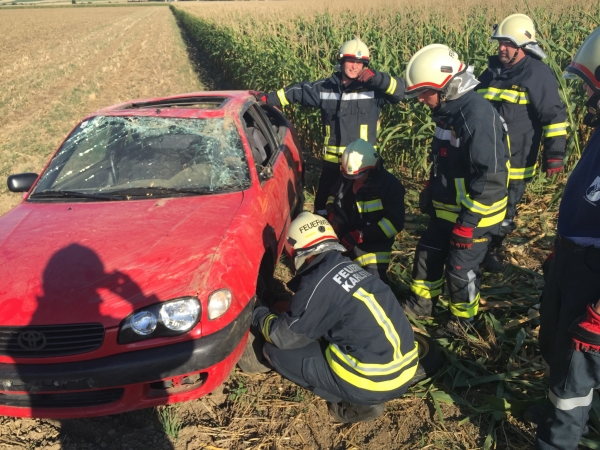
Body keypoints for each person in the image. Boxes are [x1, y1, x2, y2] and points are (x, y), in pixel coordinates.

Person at [251, 211, 419, 423]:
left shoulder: (316, 281)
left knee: (275, 350)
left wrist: (257, 312)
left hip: (373, 381)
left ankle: (353, 404)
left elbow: (282, 336)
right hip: (403, 371)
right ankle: (362, 395)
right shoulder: (347, 267)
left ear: (299, 250)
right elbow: (323, 308)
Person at [400, 44, 509, 337]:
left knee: (460, 268)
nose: (421, 99)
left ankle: (464, 322)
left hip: (476, 214)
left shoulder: (476, 117)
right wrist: (430, 188)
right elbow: (445, 161)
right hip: (447, 209)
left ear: (448, 86)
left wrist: (468, 223)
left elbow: (492, 180)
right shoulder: (449, 113)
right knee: (428, 252)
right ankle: (421, 304)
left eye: (425, 92)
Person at [535, 27, 600, 449]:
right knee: (560, 353)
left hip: (595, 284)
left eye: (595, 88)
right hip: (575, 264)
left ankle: (559, 438)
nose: (589, 100)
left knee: (574, 381)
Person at [260, 38, 405, 216]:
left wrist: (378, 79)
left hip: (363, 165)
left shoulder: (373, 90)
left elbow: (400, 92)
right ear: (341, 61)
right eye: (351, 61)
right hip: (333, 164)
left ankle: (360, 237)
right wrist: (268, 100)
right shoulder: (325, 88)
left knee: (360, 208)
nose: (355, 67)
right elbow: (298, 92)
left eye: (360, 63)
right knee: (322, 204)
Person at [477, 14, 567, 272]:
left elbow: (553, 117)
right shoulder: (491, 72)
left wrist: (555, 155)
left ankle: (493, 250)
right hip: (485, 158)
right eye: (500, 42)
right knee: (480, 206)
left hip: (516, 161)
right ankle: (477, 249)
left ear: (522, 46)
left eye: (509, 43)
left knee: (506, 211)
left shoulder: (538, 74)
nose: (502, 48)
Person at [325, 139, 405, 283]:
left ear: (372, 169)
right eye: (350, 176)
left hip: (373, 249)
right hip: (344, 242)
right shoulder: (346, 178)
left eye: (358, 175)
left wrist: (361, 235)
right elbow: (332, 196)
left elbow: (394, 223)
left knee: (369, 285)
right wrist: (332, 214)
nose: (354, 179)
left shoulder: (390, 186)